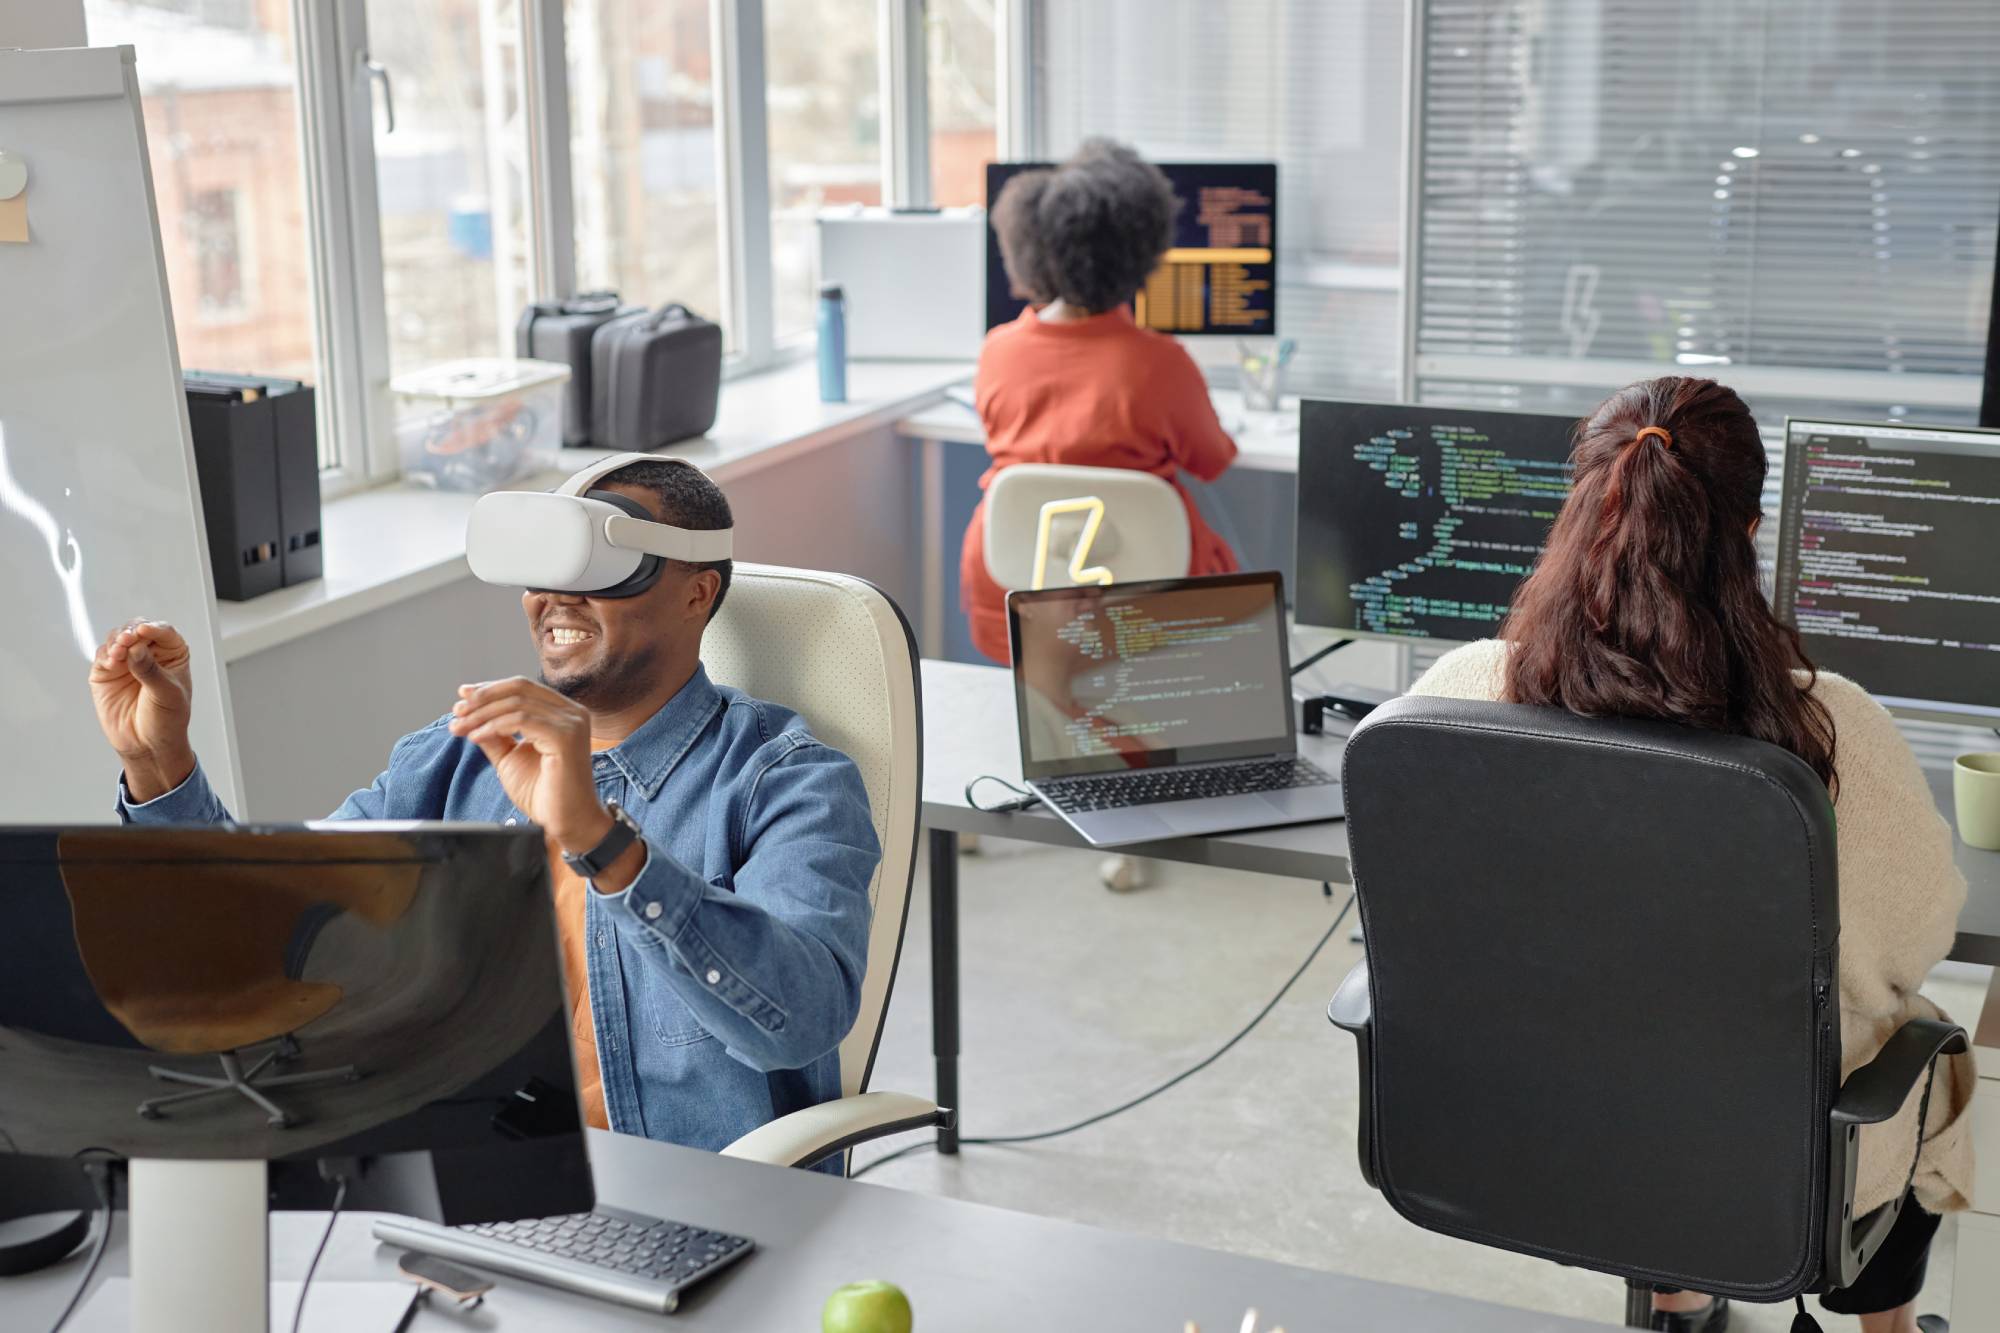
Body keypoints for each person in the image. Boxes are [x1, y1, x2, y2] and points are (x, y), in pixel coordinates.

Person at [89, 459, 881, 1174]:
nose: (553, 597)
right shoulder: (459, 753)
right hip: (463, 1172)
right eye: (540, 568)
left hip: (684, 1199)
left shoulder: (788, 781)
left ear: (696, 592)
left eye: (599, 565)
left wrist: (604, 844)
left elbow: (801, 1019)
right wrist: (161, 766)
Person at [1409, 377, 1974, 1333]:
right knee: (1917, 1035)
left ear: (1578, 505)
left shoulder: (1453, 695)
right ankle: (1883, 1325)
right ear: (1750, 528)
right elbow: (1913, 943)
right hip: (1771, 1155)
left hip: (1542, 1125)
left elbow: (1425, 915)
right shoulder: (1832, 729)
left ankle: (1679, 1298)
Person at [960, 137, 1240, 664]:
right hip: (1144, 603)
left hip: (1014, 593)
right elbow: (1213, 462)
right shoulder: (1161, 363)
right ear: (1143, 250)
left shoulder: (998, 351)